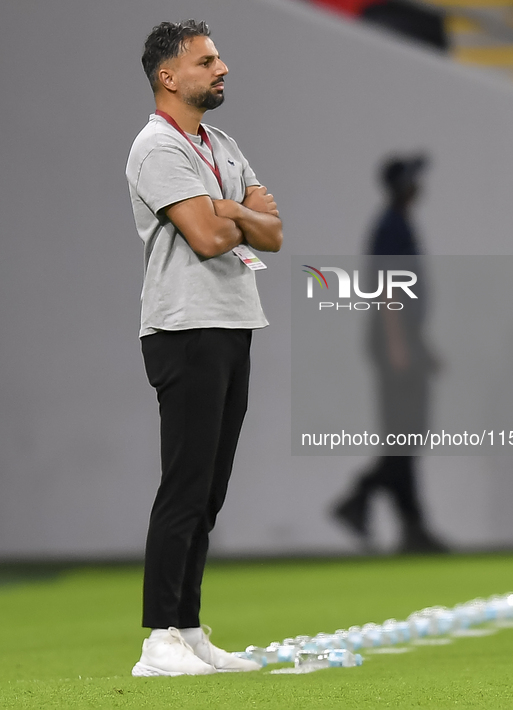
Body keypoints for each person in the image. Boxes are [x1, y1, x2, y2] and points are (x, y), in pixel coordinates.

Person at [125, 20, 282, 677]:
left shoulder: (220, 142)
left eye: (218, 59)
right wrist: (237, 210)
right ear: (169, 76)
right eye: (206, 61)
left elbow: (271, 233)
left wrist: (231, 210)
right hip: (184, 325)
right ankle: (157, 641)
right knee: (185, 486)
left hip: (232, 319)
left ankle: (187, 630)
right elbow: (209, 239)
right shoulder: (156, 147)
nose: (222, 69)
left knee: (210, 491)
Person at [332, 156, 446, 554]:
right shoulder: (390, 227)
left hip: (404, 340)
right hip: (393, 341)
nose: (420, 185)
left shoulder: (400, 225)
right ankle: (361, 499)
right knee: (403, 436)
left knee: (405, 437)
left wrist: (421, 345)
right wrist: (399, 344)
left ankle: (411, 526)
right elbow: (387, 288)